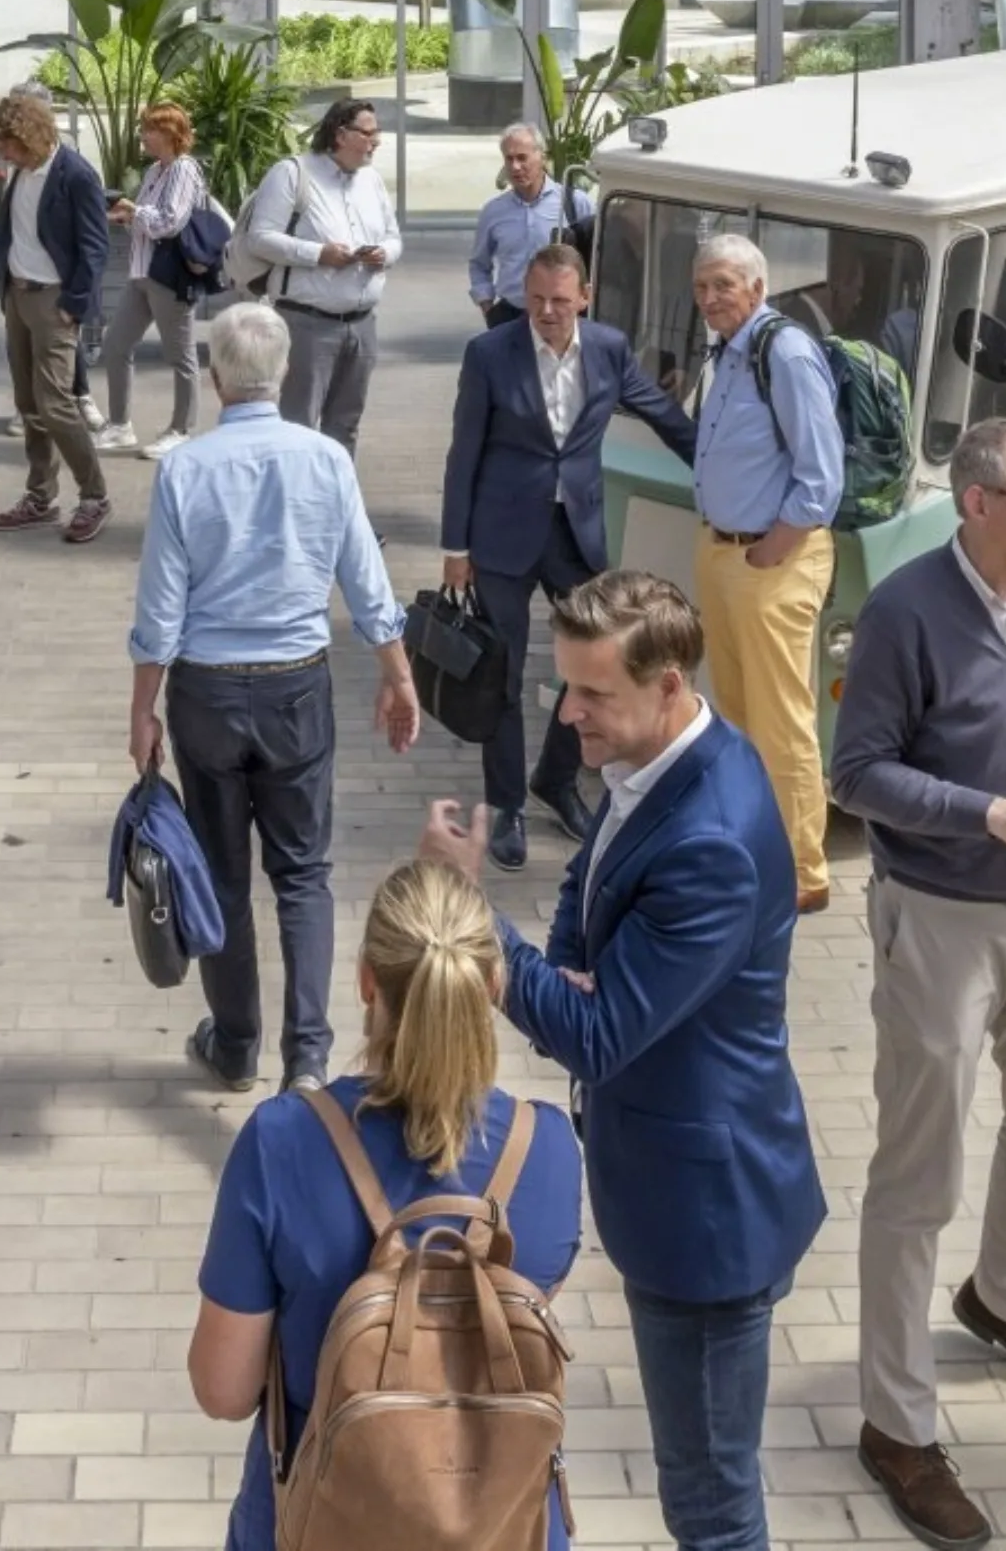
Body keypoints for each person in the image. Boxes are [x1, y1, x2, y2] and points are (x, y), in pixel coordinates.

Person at [421, 569, 824, 1551]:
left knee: (711, 1498)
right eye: (567, 685)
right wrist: (566, 970)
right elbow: (588, 892)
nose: (568, 715)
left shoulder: (711, 840)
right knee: (703, 1476)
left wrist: (476, 919)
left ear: (671, 684)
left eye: (593, 693)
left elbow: (597, 1032)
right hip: (682, 1182)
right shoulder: (662, 761)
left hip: (709, 1216)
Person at [829, 418, 1006, 1549]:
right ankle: (896, 1424)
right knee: (920, 1176)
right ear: (976, 504)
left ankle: (1005, 1299)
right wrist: (990, 812)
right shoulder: (906, 610)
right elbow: (857, 773)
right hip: (941, 918)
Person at [190, 861, 585, 1551]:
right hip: (504, 1520)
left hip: (318, 1518)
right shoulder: (547, 1147)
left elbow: (223, 1390)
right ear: (493, 986)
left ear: (366, 979)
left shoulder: (282, 1141)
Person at [130, 302, 423, 1096]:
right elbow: (367, 581)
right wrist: (398, 674)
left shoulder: (185, 468)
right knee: (303, 876)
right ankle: (310, 1058)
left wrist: (141, 711)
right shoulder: (326, 460)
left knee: (222, 872)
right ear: (286, 371)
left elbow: (160, 610)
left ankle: (234, 1043)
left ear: (218, 377)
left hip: (207, 694)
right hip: (297, 686)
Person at [439, 242, 696, 872]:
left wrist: (726, 472)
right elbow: (462, 452)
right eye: (535, 300)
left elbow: (664, 414)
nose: (547, 312)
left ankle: (554, 778)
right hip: (499, 535)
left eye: (559, 300)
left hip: (574, 531)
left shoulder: (607, 348)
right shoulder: (489, 354)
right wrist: (455, 546)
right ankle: (506, 808)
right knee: (500, 672)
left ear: (584, 297)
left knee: (602, 658)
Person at [687, 233, 844, 911]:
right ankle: (756, 851)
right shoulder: (728, 352)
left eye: (724, 284)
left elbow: (819, 471)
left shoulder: (784, 350)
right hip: (726, 554)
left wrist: (774, 548)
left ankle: (804, 875)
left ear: (757, 286)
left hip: (769, 560)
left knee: (782, 722)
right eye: (701, 287)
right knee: (738, 717)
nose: (711, 298)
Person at [0, 87, 114, 543]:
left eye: (8, 145)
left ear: (30, 137)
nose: (3, 153)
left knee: (55, 404)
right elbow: (26, 228)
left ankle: (94, 496)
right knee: (29, 403)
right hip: (17, 295)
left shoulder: (75, 175)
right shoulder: (21, 172)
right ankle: (41, 497)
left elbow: (95, 248)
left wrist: (74, 305)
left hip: (54, 302)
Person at [242, 97, 400, 458]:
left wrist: (384, 254)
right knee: (298, 423)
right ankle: (292, 504)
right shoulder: (292, 174)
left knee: (345, 424)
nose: (376, 141)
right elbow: (260, 238)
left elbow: (393, 235)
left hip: (362, 325)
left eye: (377, 133)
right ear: (341, 134)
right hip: (308, 324)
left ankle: (335, 502)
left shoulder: (372, 181)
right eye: (368, 133)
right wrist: (318, 254)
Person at [94, 101, 208, 461]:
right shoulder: (154, 171)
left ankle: (182, 428)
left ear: (171, 135)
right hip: (141, 272)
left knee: (180, 354)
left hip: (169, 274)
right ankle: (119, 424)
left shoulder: (183, 170)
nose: (143, 136)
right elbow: (147, 221)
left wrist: (134, 209)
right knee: (116, 344)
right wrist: (124, 216)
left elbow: (169, 222)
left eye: (150, 130)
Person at [467, 123, 592, 330]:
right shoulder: (493, 212)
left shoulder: (574, 204)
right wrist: (488, 306)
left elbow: (598, 258)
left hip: (562, 319)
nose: (515, 167)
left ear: (541, 157)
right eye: (509, 159)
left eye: (522, 158)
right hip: (510, 317)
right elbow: (479, 264)